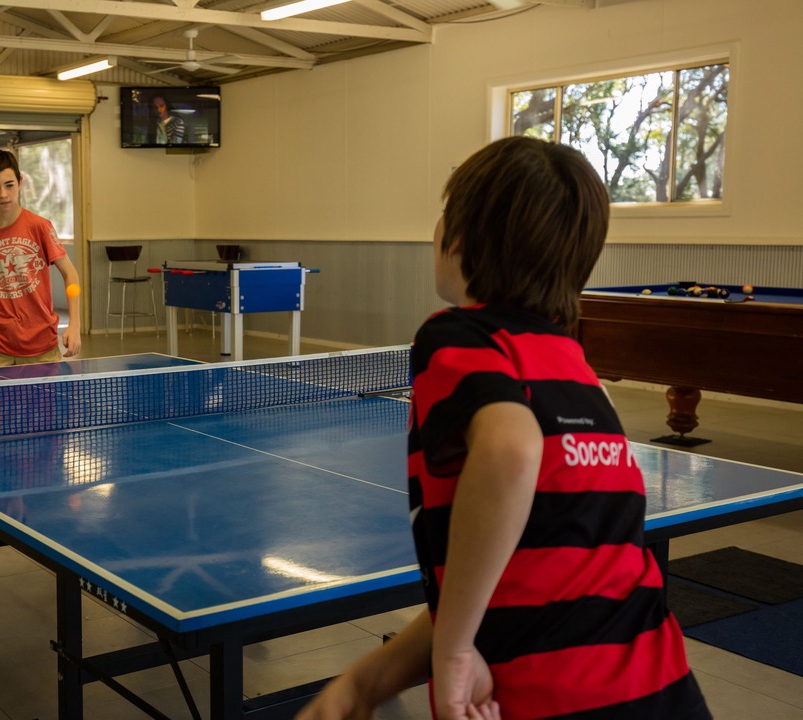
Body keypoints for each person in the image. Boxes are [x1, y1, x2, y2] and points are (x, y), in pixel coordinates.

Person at [297, 137, 711, 720]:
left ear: (458, 237)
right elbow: (533, 573)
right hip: (661, 686)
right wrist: (365, 684)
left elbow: (513, 449)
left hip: (549, 697)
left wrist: (456, 652)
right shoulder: (573, 365)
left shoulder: (458, 337)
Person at [0, 148, 82, 535]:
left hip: (40, 343)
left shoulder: (40, 226)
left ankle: (26, 497)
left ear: (20, 182)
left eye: (10, 185)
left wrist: (74, 324)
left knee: (39, 427)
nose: (4, 194)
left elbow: (70, 273)